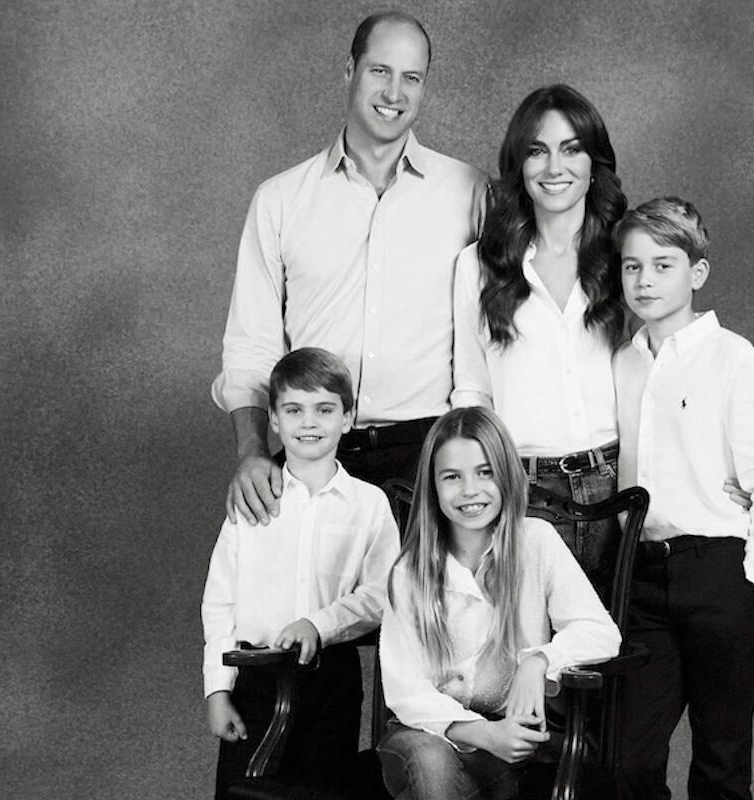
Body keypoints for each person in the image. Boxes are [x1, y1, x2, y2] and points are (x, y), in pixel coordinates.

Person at [214, 11, 486, 526]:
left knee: (425, 608)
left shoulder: (469, 193)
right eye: (380, 71)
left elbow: (499, 330)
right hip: (314, 452)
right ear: (349, 71)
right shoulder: (280, 200)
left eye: (412, 77)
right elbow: (251, 345)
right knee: (305, 608)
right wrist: (251, 450)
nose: (395, 93)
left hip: (428, 458)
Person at [610, 197, 754, 800]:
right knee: (627, 764)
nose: (644, 280)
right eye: (632, 266)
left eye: (662, 265)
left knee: (720, 764)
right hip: (640, 575)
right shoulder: (622, 362)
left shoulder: (735, 359)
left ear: (696, 273)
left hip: (718, 570)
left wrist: (750, 580)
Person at [376, 406, 621, 800]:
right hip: (420, 733)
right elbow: (406, 689)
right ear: (433, 487)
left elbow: (600, 632)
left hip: (506, 746)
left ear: (506, 475)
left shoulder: (535, 541)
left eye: (484, 472)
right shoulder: (412, 569)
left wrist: (539, 660)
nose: (470, 489)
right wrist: (483, 733)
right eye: (452, 477)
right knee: (431, 761)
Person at [201, 347, 400, 799]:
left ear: (347, 418)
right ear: (273, 419)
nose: (309, 423)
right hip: (255, 677)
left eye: (324, 410)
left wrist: (320, 624)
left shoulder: (369, 504)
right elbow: (219, 603)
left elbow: (383, 593)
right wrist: (217, 690)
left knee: (320, 792)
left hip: (330, 681)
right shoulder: (252, 498)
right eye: (294, 410)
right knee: (246, 794)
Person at [451, 84, 627, 580]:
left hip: (619, 486)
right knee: (529, 650)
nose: (554, 168)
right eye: (537, 151)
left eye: (572, 150)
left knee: (613, 647)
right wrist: (478, 485)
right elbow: (471, 390)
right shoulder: (478, 266)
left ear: (595, 165)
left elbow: (663, 369)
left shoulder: (624, 258)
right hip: (522, 490)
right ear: (518, 165)